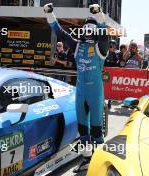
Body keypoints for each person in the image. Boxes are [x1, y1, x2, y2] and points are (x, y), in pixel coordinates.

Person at [44, 3, 109, 172]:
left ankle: (101, 163)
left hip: (95, 94)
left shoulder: (101, 46)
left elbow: (104, 34)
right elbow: (60, 33)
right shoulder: (77, 45)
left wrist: (100, 15)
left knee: (97, 131)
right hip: (80, 92)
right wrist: (50, 15)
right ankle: (87, 160)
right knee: (83, 130)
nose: (88, 29)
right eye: (86, 27)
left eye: (91, 27)